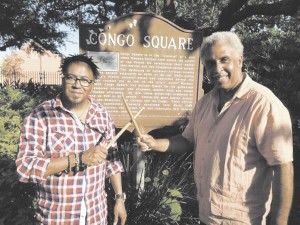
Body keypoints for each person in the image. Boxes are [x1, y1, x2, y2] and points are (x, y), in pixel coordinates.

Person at [138, 32, 293, 225]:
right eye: (210, 63)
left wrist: (279, 222)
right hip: (206, 218)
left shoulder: (263, 104)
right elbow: (187, 140)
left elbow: (282, 166)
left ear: (240, 59)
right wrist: (154, 143)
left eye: (224, 60)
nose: (217, 68)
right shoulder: (204, 104)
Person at [16, 54, 127, 225]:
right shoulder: (40, 116)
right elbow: (25, 167)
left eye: (84, 80)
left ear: (92, 85)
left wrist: (119, 198)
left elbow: (112, 162)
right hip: (56, 218)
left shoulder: (103, 116)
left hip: (96, 217)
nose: (77, 85)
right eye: (71, 78)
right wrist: (78, 159)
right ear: (63, 79)